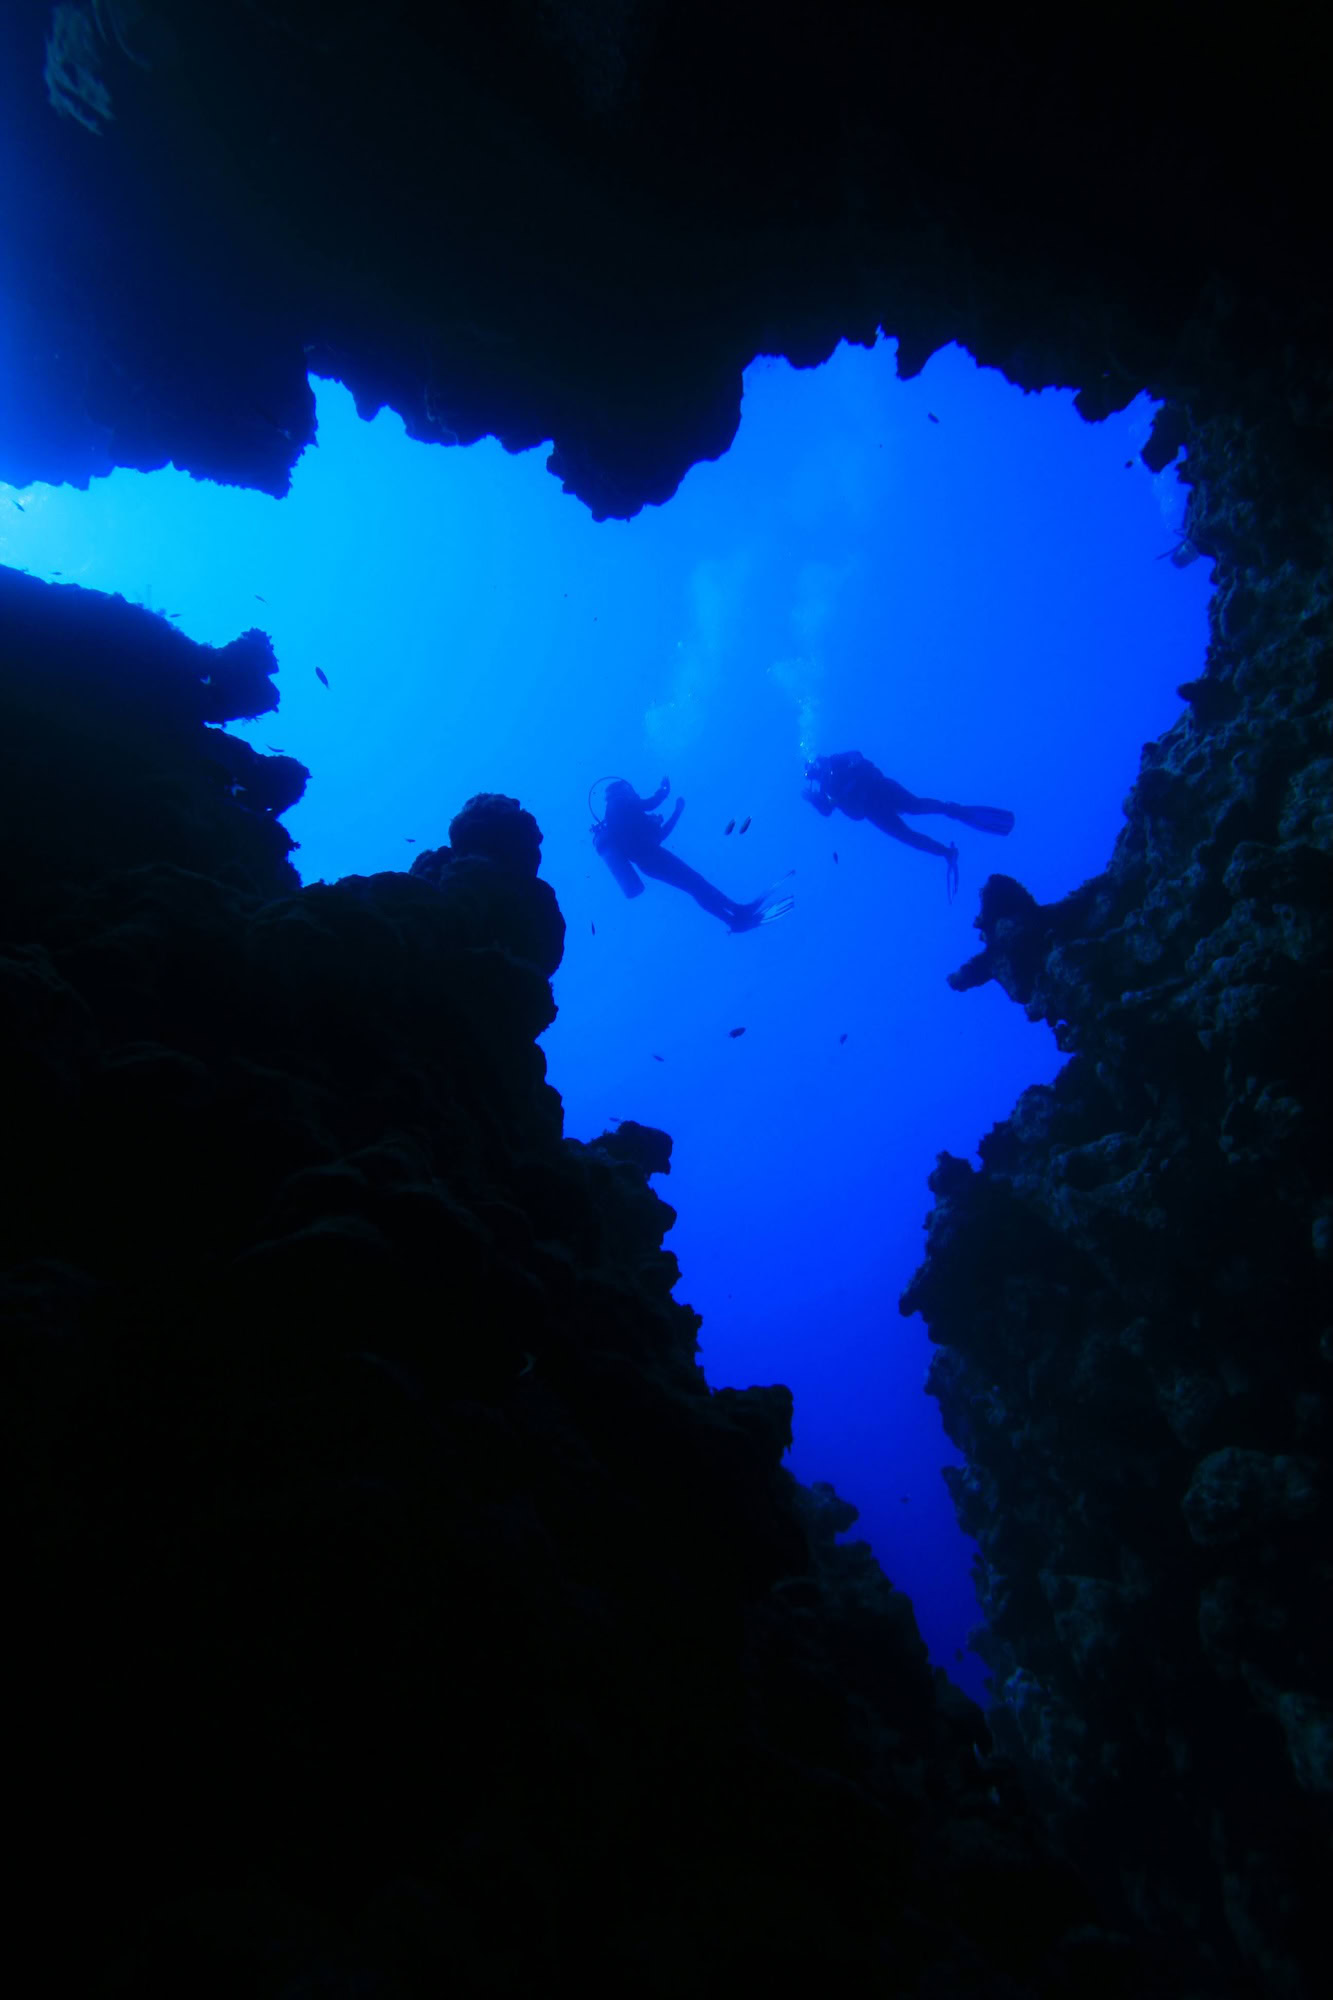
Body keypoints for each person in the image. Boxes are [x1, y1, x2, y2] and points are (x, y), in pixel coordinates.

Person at [803, 751, 1014, 900]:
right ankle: (946, 853)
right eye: (811, 774)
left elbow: (856, 755)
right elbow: (827, 811)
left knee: (916, 806)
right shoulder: (824, 790)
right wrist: (811, 799)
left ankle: (954, 810)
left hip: (880, 790)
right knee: (907, 836)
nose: (815, 773)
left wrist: (853, 769)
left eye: (813, 768)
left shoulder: (834, 761)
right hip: (872, 811)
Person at [592, 776, 789, 931]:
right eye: (631, 791)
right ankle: (736, 914)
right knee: (695, 883)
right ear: (623, 791)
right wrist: (664, 790)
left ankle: (734, 917)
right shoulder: (618, 804)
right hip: (651, 858)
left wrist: (677, 811)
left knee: (694, 885)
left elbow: (660, 835)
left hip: (649, 861)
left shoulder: (621, 816)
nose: (634, 794)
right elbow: (651, 804)